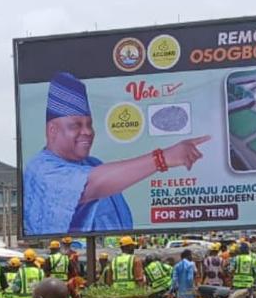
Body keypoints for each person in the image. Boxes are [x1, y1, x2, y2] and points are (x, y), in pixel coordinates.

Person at [23, 71, 210, 234]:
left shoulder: (93, 163)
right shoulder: (40, 169)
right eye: (76, 126)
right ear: (53, 130)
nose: (87, 132)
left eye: (89, 125)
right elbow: (91, 184)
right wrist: (163, 158)